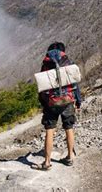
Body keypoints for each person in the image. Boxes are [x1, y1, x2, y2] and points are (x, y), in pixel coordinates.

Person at [32, 42, 82, 171]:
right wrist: (78, 101)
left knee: (50, 130)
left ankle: (47, 162)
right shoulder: (68, 62)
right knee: (69, 127)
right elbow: (75, 84)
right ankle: (70, 157)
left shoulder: (46, 64)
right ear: (63, 51)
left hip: (51, 102)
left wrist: (44, 103)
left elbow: (42, 87)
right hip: (68, 100)